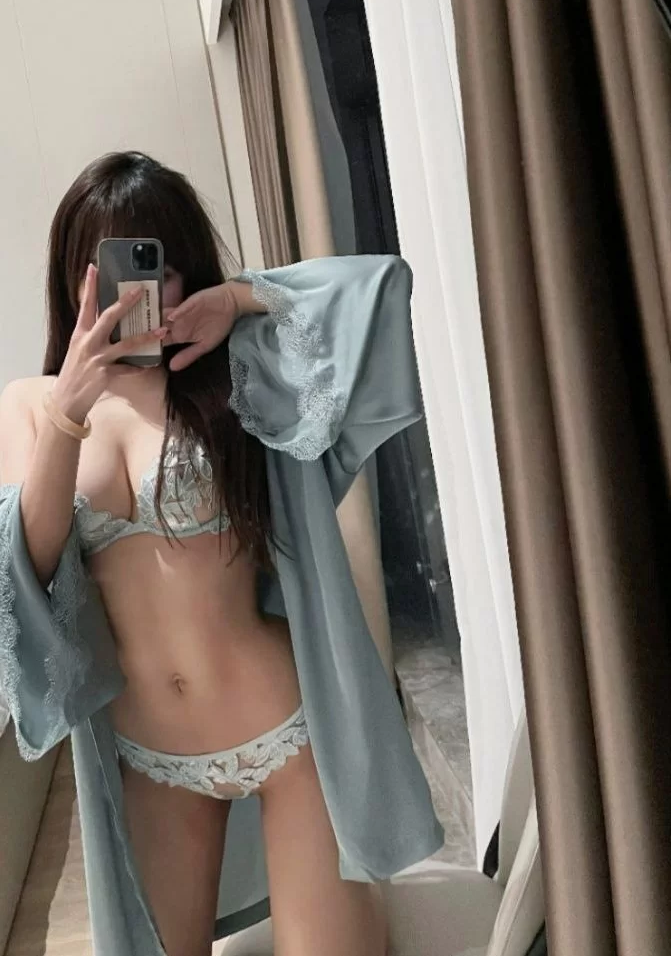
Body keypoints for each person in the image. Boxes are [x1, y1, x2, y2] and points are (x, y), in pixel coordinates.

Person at [0, 151, 443, 956]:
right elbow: (24, 568)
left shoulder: (236, 371)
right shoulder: (31, 406)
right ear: (73, 276)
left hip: (288, 731)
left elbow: (380, 285)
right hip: (152, 760)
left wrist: (237, 301)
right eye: (111, 267)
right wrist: (70, 408)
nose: (139, 292)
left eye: (159, 267)